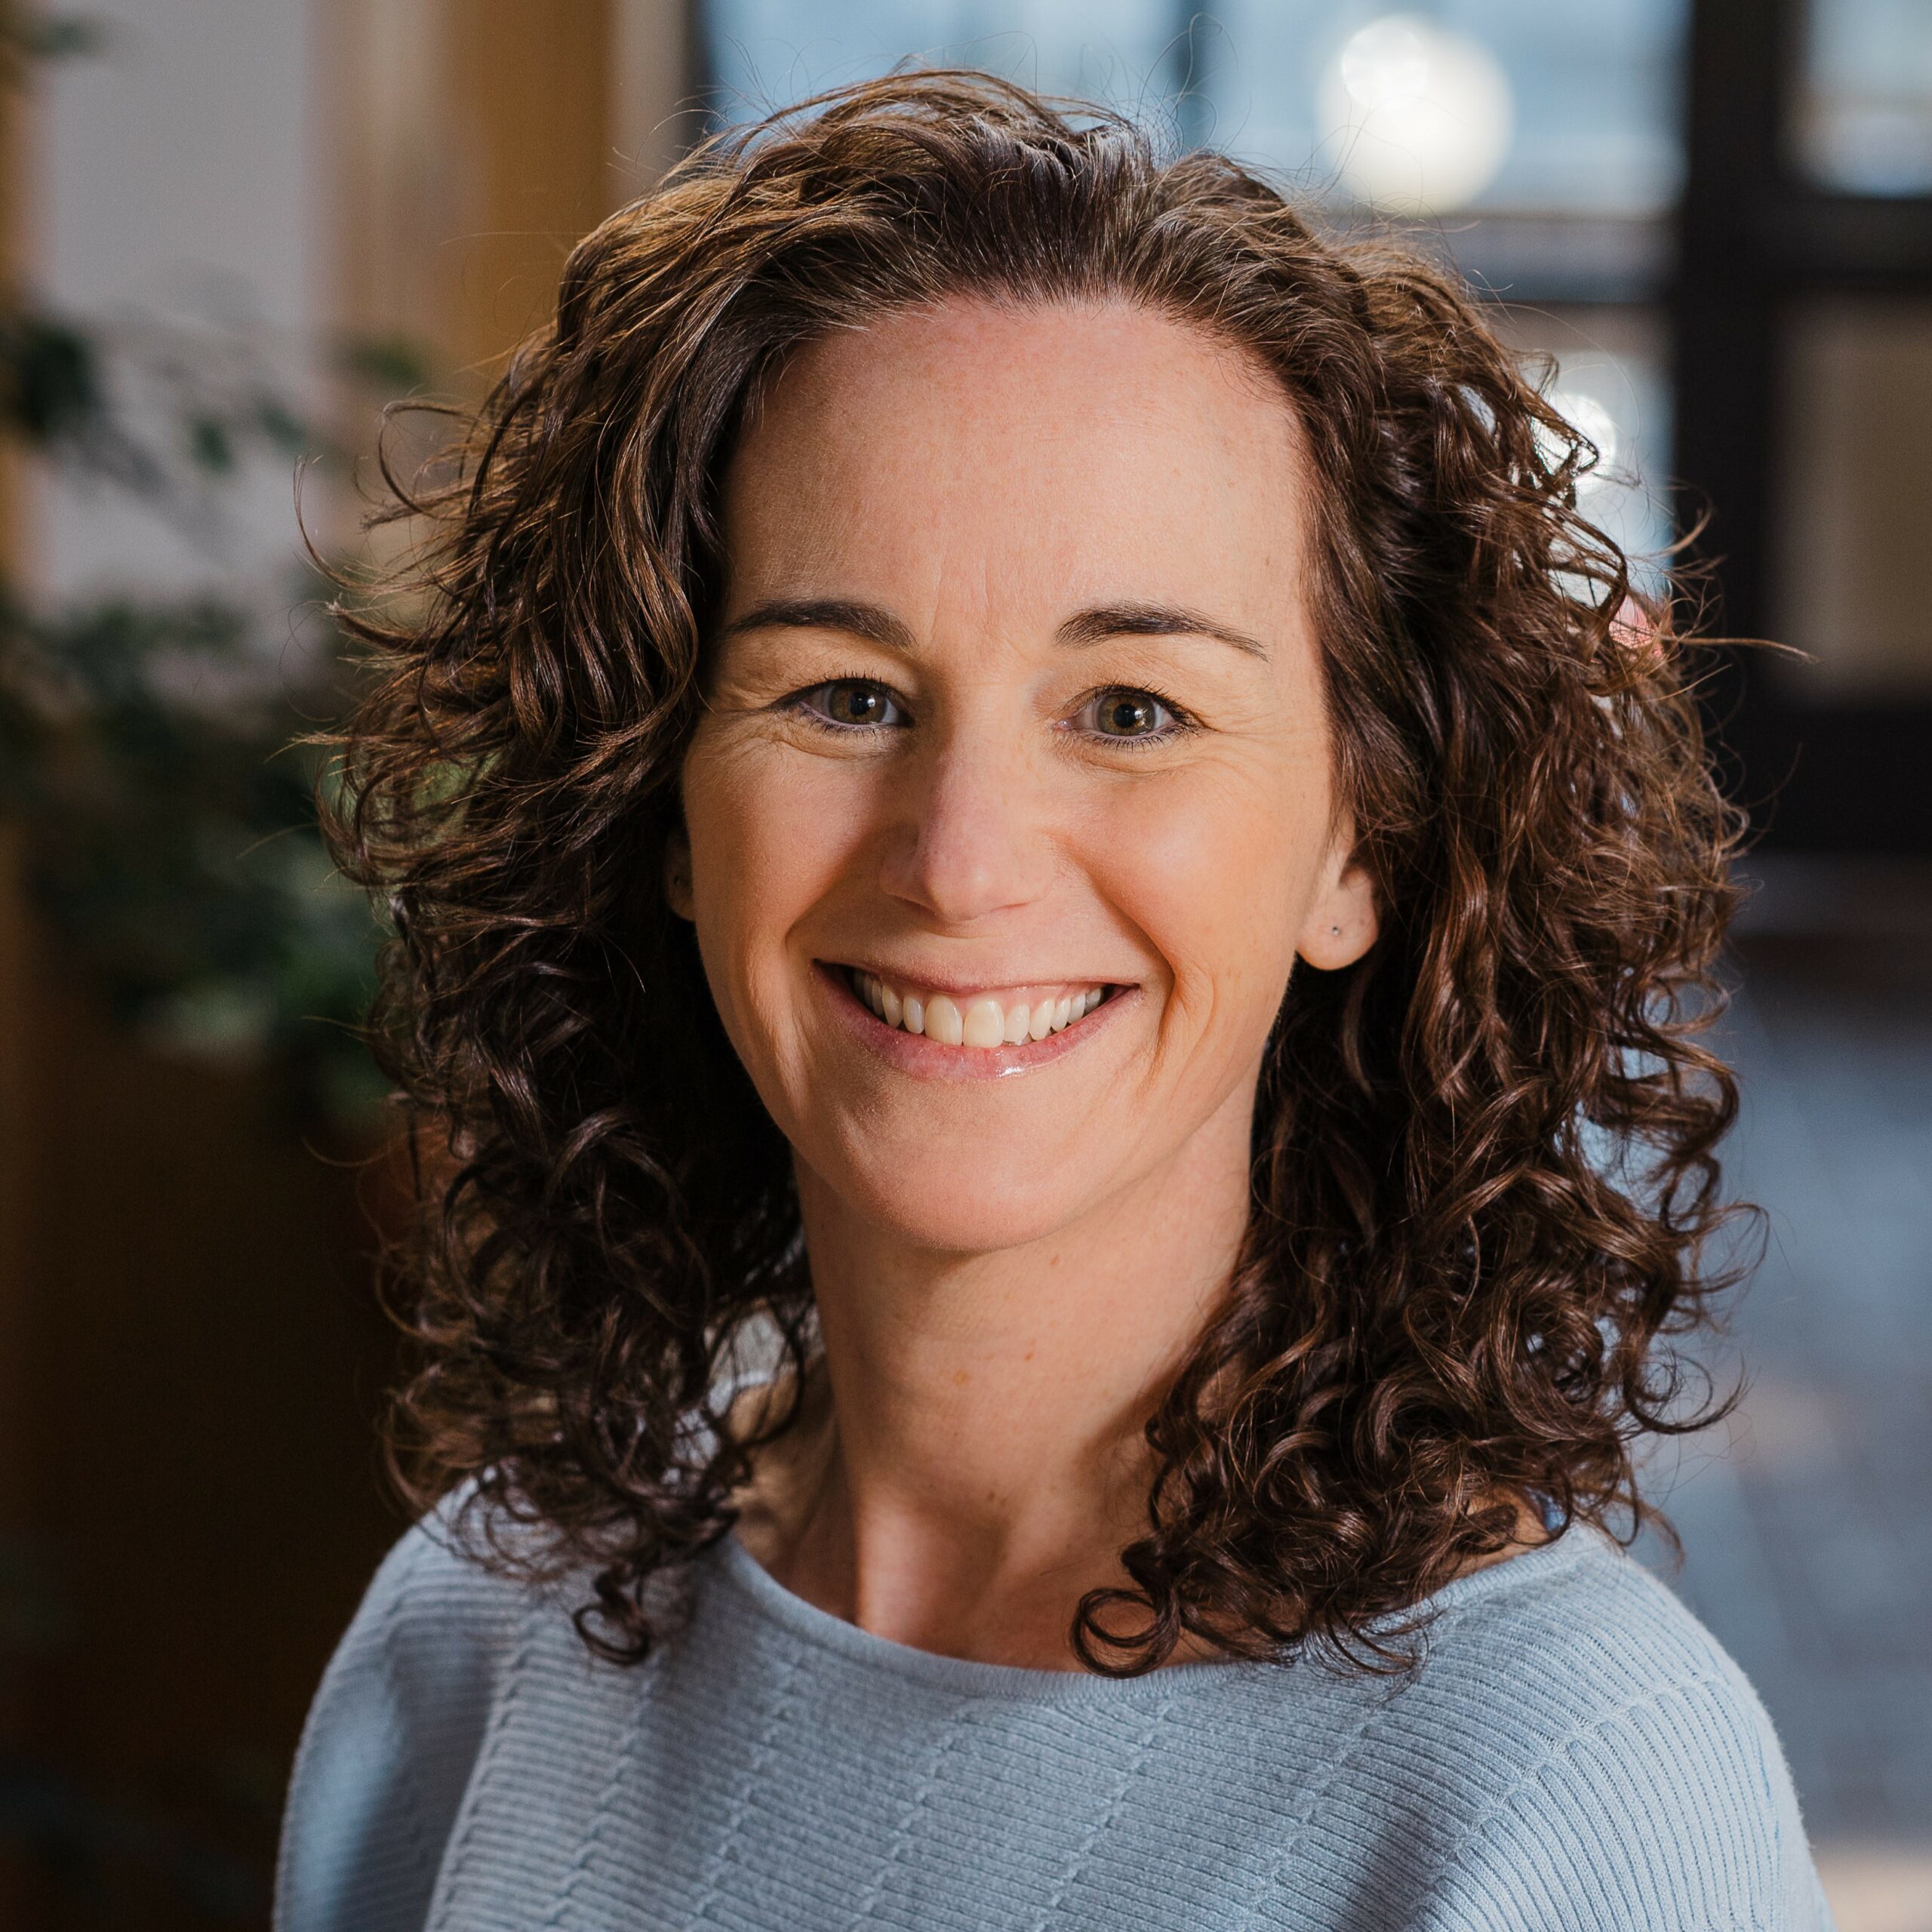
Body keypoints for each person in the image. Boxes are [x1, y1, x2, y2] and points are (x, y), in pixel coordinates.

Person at [275, 71, 1835, 1932]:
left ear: (1361, 845)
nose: (958, 860)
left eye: (1131, 710)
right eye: (842, 690)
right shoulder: (476, 1627)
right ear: (660, 801)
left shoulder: (1563, 1783)